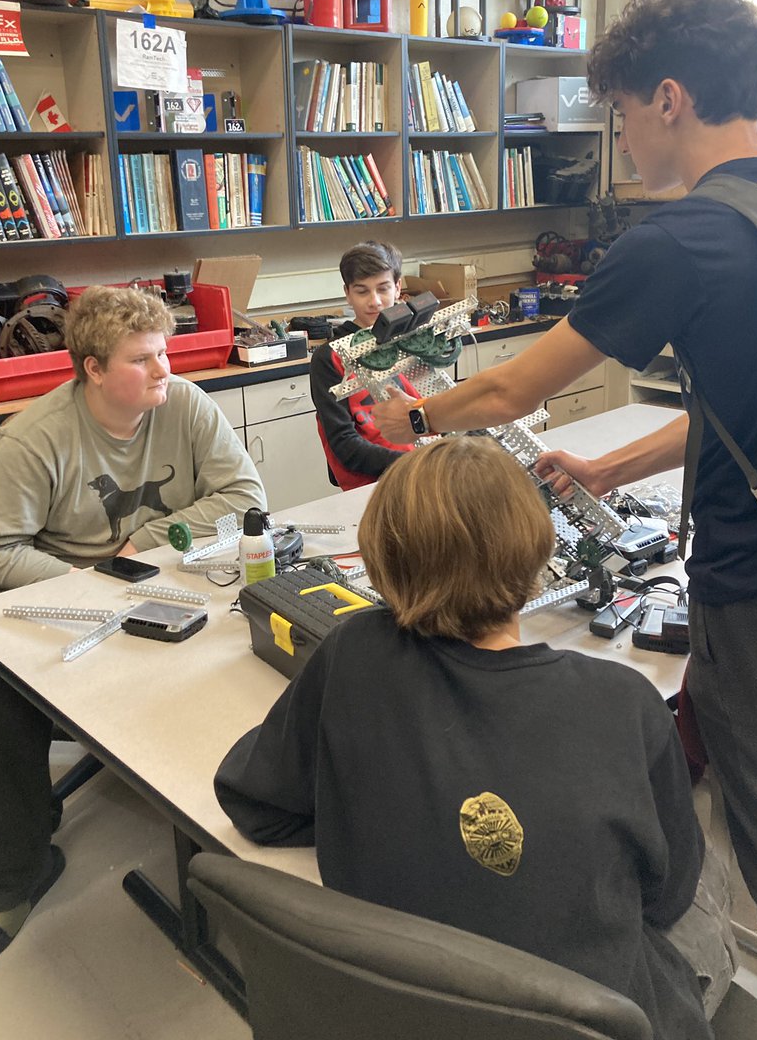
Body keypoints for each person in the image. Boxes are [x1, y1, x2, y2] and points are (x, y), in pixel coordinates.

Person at [373, 0, 757, 1039]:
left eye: (619, 110)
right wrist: (617, 472)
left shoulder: (677, 240)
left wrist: (409, 419)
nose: (619, 135)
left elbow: (503, 392)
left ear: (668, 98)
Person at [215, 436, 725, 1038]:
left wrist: (382, 820)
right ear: (537, 551)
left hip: (395, 1010)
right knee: (706, 879)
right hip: (594, 1019)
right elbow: (665, 896)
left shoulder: (352, 650)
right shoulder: (625, 701)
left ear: (381, 557)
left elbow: (255, 801)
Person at [0, 284, 265, 966]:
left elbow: (245, 496)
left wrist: (152, 538)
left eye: (165, 353)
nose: (164, 370)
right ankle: (16, 864)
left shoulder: (184, 404)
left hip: (165, 580)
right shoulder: (34, 438)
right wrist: (92, 585)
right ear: (91, 367)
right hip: (68, 592)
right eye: (143, 359)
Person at [309, 240, 416, 489]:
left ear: (398, 288)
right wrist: (413, 463)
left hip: (422, 468)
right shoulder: (330, 358)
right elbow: (345, 445)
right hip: (375, 483)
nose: (375, 301)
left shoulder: (413, 341)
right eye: (362, 291)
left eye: (383, 289)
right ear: (347, 293)